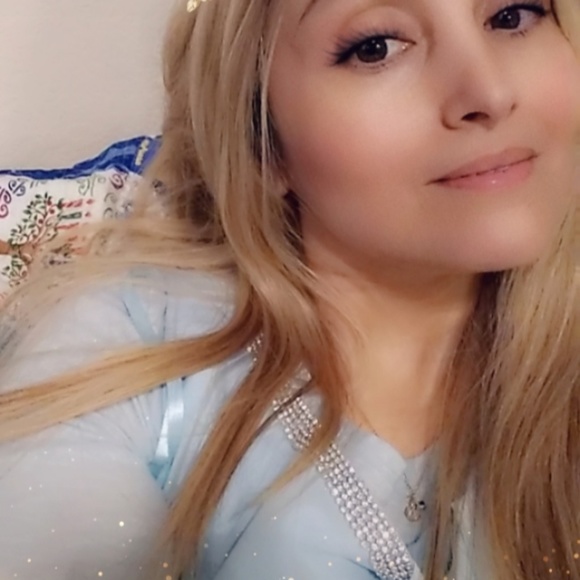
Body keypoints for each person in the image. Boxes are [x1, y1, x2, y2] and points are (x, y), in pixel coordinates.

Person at [1, 0, 579, 578]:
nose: (490, 92)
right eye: (376, 47)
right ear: (262, 140)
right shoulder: (128, 350)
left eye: (513, 15)